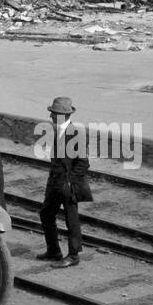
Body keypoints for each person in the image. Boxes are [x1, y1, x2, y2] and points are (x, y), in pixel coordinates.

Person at [38, 97, 92, 267]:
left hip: (68, 184)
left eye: (53, 114)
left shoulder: (75, 134)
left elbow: (83, 163)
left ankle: (73, 255)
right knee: (46, 214)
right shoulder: (56, 130)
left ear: (61, 115)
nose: (50, 116)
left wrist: (69, 181)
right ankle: (54, 251)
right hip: (54, 182)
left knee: (71, 219)